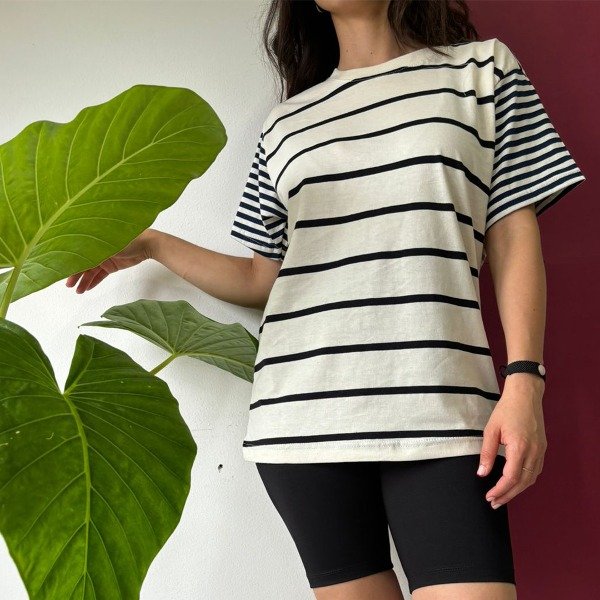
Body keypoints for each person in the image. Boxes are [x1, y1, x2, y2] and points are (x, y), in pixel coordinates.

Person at [66, 1, 586, 598]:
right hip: (302, 419)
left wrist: (524, 380)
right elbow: (262, 278)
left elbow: (513, 234)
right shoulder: (286, 124)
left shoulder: (482, 72)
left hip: (443, 410)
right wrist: (154, 244)